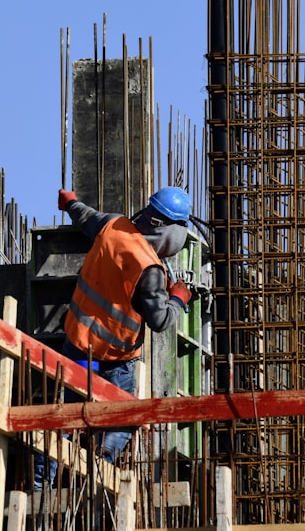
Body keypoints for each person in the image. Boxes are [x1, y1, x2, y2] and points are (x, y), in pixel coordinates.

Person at [32, 187, 194, 489]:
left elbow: (86, 217)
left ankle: (41, 487)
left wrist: (70, 203)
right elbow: (160, 320)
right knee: (117, 425)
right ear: (166, 228)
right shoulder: (150, 269)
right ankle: (94, 483)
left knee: (65, 420)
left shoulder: (113, 226)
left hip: (77, 349)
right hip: (116, 365)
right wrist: (179, 298)